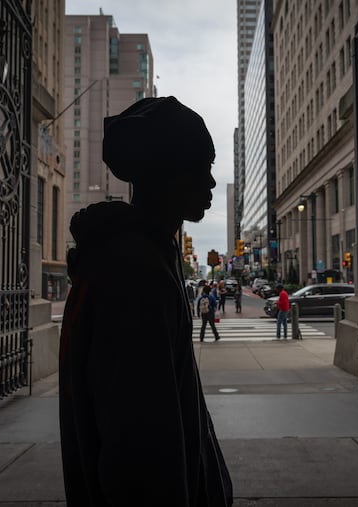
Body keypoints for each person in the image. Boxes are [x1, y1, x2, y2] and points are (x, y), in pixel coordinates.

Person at [58, 96, 233, 505]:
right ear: (166, 172)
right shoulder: (134, 273)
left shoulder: (143, 257)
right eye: (201, 166)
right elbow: (140, 449)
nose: (209, 182)